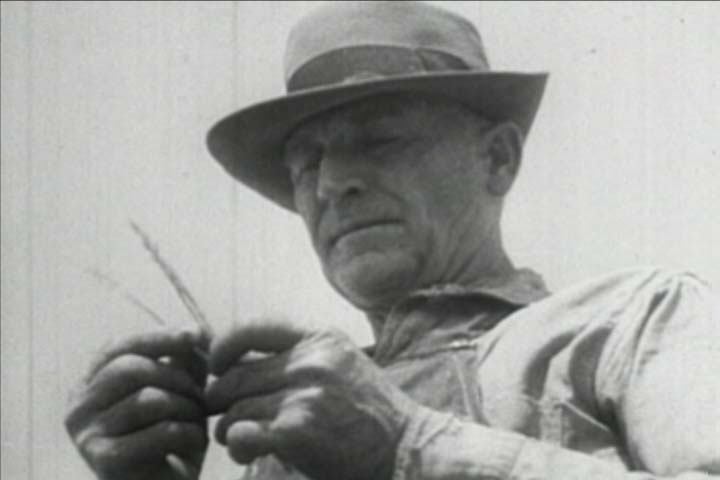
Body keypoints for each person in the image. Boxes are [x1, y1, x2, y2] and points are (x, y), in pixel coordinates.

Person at [64, 2, 719, 479]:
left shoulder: (633, 318)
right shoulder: (290, 427)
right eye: (306, 165)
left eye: (379, 138)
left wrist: (410, 442)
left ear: (497, 160)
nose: (332, 185)